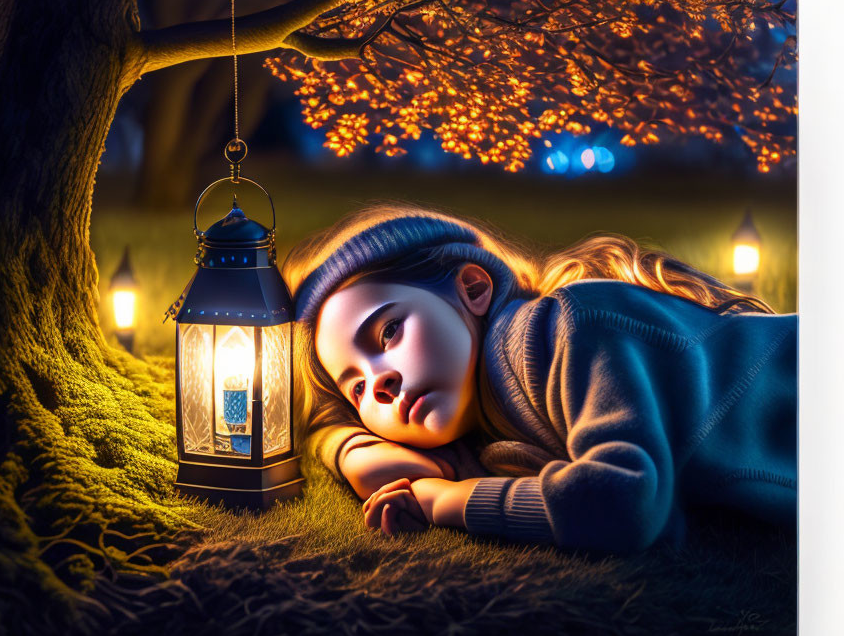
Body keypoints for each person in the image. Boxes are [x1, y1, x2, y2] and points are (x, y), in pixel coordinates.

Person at [281, 201, 796, 554]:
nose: (381, 383)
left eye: (388, 331)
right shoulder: (493, 425)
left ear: (474, 288)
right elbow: (327, 421)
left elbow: (625, 504)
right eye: (357, 387)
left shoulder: (567, 329)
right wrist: (352, 448)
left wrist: (447, 501)